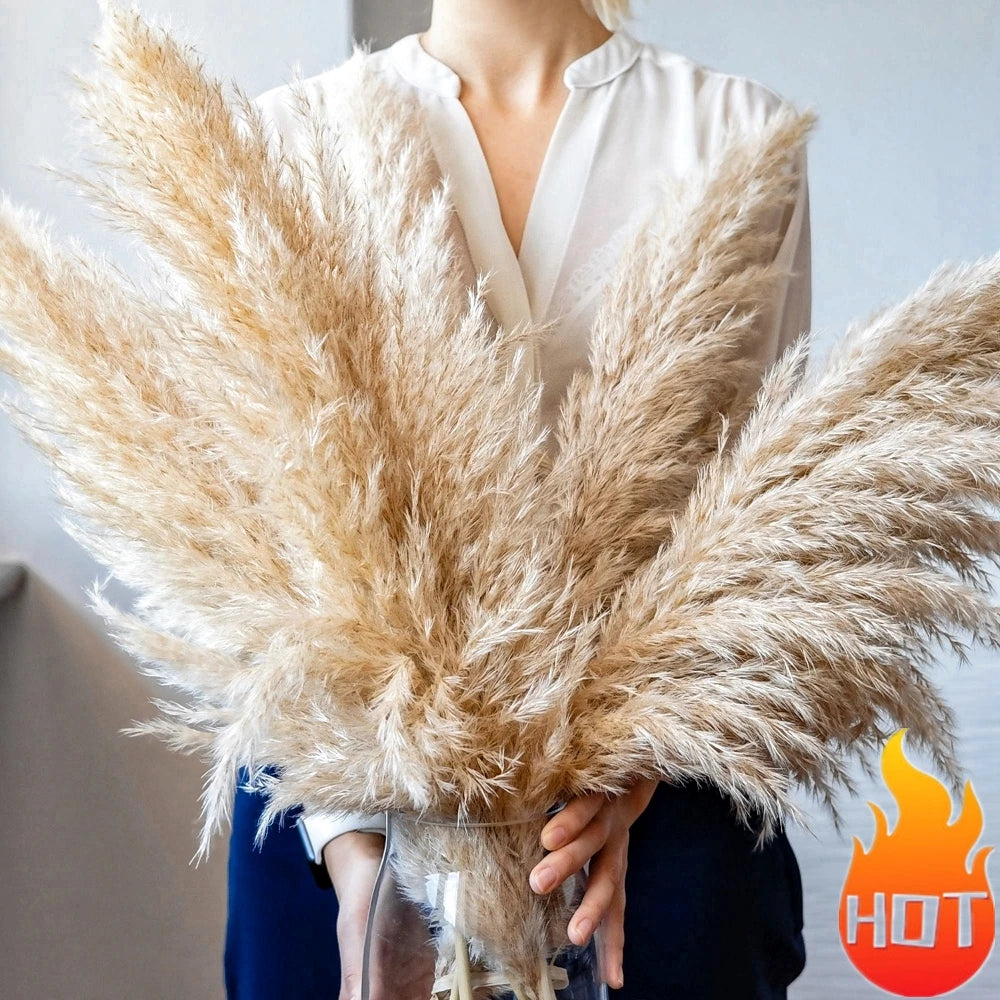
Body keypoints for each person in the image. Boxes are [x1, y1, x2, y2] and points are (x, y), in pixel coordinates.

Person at [226, 1, 811, 997]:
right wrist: (364, 869)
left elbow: (749, 514)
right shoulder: (284, 136)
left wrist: (627, 773)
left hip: (652, 807)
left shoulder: (734, 134)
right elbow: (252, 536)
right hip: (339, 794)